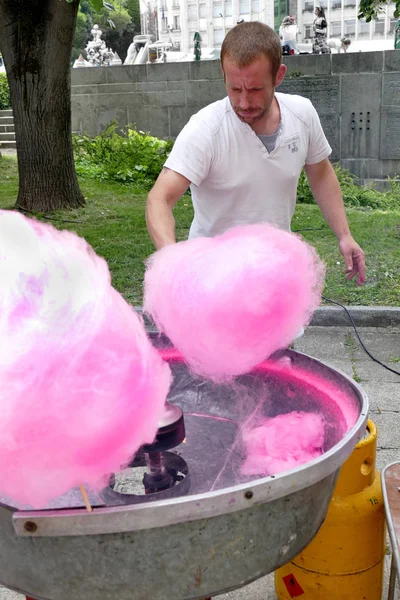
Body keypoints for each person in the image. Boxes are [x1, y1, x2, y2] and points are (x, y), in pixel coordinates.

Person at [146, 21, 365, 286]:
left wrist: (344, 235)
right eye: (235, 89)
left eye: (255, 89)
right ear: (223, 74)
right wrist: (171, 258)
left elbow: (320, 174)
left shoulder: (302, 114)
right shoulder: (205, 130)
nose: (244, 102)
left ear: (278, 75)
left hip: (275, 280)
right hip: (213, 283)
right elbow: (159, 199)